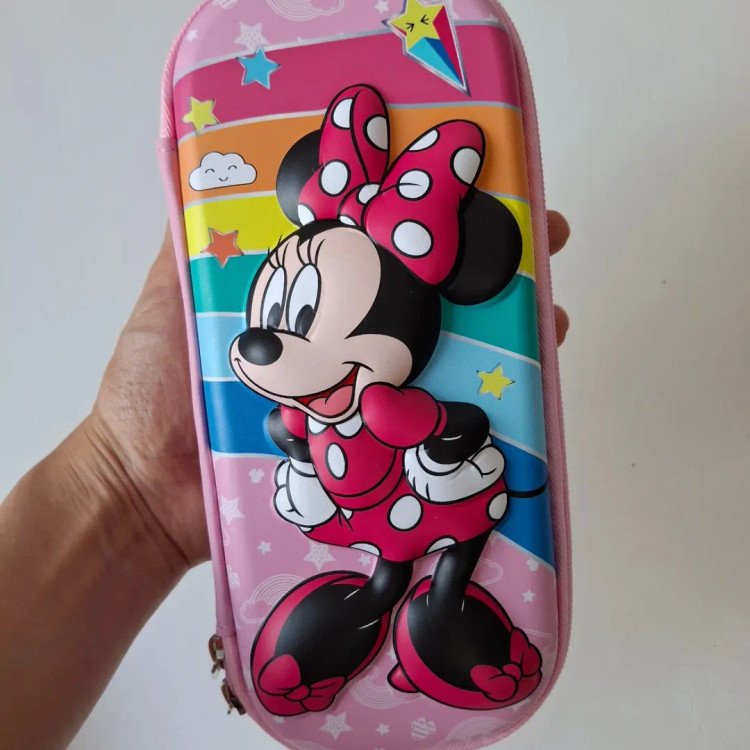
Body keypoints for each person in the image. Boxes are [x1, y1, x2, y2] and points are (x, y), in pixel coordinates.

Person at [0, 213, 571, 749]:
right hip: (374, 515)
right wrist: (131, 479)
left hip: (441, 505)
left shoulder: (395, 407)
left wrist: (440, 451)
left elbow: (463, 423)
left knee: (444, 579)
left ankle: (451, 626)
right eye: (276, 316)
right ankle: (325, 654)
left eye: (299, 320)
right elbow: (297, 435)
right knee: (381, 585)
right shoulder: (306, 419)